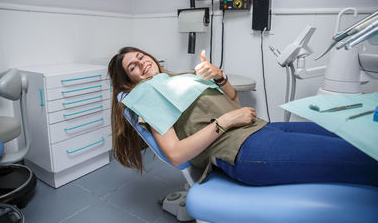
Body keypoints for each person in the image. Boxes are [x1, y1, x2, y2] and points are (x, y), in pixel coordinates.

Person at [108, 47, 378, 186]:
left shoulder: (179, 79)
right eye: (133, 66)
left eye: (141, 56)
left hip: (260, 129)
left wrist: (219, 76)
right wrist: (225, 122)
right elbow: (176, 154)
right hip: (243, 149)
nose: (142, 62)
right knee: (358, 156)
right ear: (128, 80)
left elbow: (233, 101)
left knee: (348, 133)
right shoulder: (146, 95)